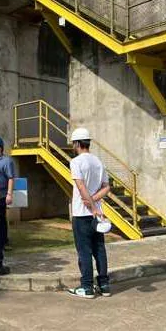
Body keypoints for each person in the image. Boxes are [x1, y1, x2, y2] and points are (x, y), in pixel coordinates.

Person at [67, 128, 111, 299]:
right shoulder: (99, 162)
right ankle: (104, 285)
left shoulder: (76, 162)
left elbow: (80, 186)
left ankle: (86, 287)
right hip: (97, 216)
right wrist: (94, 202)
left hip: (82, 214)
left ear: (77, 143)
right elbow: (106, 187)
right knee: (99, 249)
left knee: (84, 251)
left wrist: (90, 205)